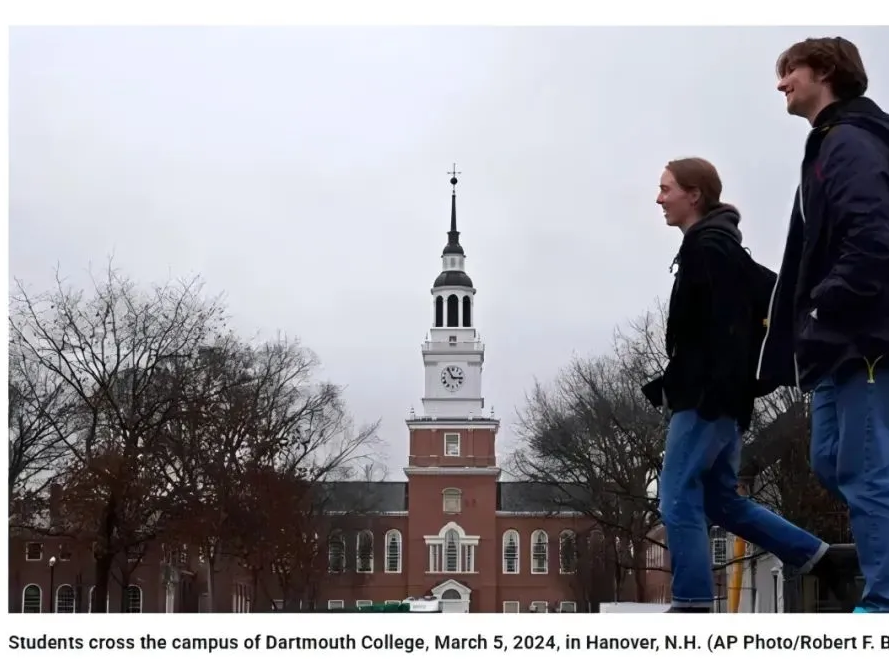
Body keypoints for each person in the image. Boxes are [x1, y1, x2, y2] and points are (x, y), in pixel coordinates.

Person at [644, 157, 838, 612]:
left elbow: (727, 330)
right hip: (725, 401)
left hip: (706, 402)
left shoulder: (706, 249)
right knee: (721, 502)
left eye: (666, 188)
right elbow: (774, 292)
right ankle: (813, 554)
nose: (659, 199)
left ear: (694, 195)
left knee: (676, 498)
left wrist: (722, 388)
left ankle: (691, 603)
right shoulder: (724, 246)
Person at [758, 36, 889, 613]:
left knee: (863, 469)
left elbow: (873, 237)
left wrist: (823, 306)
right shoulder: (826, 146)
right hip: (834, 346)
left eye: (790, 71)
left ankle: (883, 601)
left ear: (825, 73)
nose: (781, 82)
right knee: (831, 463)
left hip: (862, 337)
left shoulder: (850, 143)